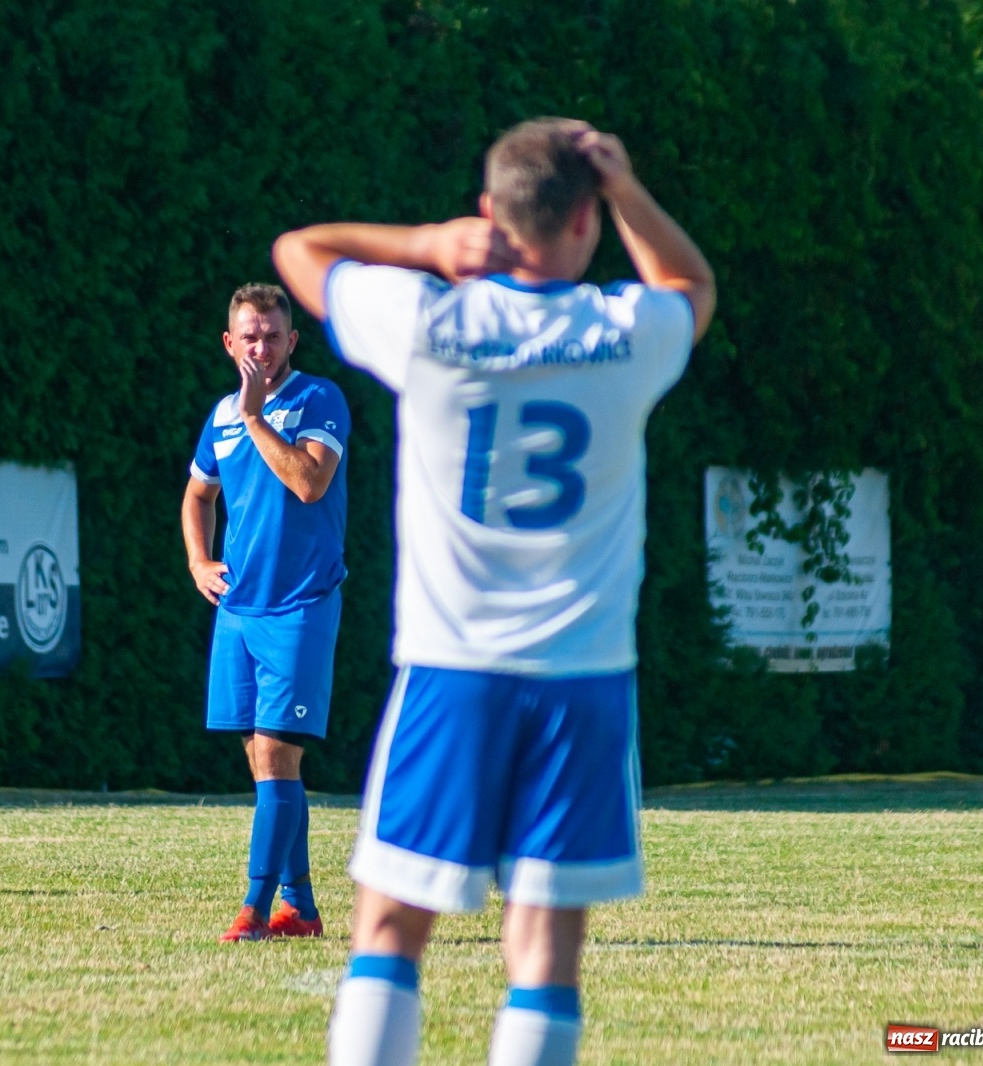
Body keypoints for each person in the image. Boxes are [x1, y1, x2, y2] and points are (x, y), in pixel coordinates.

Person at [273, 119, 716, 1065]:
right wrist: (628, 187)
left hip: (453, 669)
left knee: (390, 931)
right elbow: (691, 286)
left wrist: (426, 248)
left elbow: (298, 251)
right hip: (584, 680)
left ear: (489, 215)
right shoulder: (621, 332)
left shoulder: (433, 325)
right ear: (588, 223)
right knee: (546, 954)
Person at [182, 283, 352, 942]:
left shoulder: (317, 398)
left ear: (292, 341)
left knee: (279, 752)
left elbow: (310, 484)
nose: (261, 347)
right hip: (241, 610)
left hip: (301, 605)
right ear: (230, 343)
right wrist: (200, 562)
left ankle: (253, 912)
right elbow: (199, 494)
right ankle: (301, 909)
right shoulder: (221, 414)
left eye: (273, 335)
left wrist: (258, 418)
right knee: (263, 757)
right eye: (249, 336)